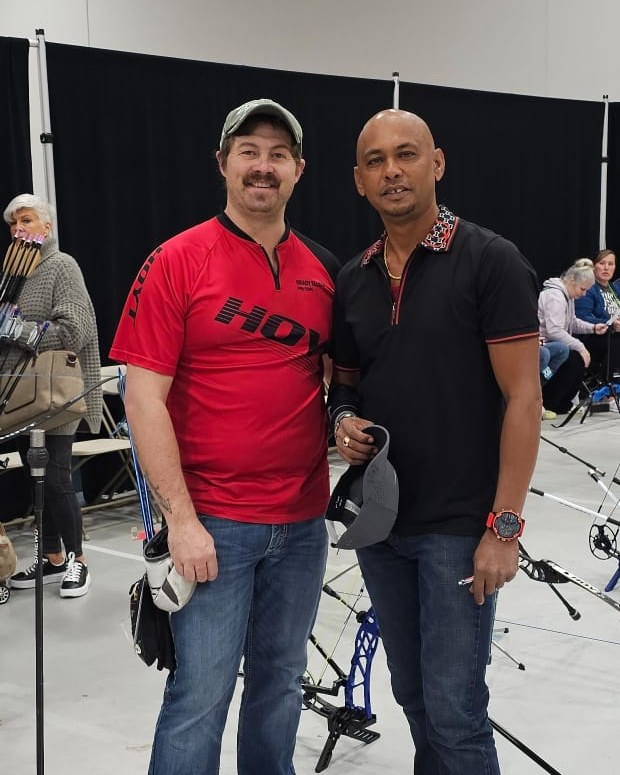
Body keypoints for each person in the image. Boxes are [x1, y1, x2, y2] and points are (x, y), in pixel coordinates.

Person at [109, 99, 339, 775]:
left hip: (301, 524)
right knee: (199, 695)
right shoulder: (177, 260)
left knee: (279, 689)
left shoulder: (323, 270)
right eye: (248, 151)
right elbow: (142, 395)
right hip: (212, 524)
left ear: (298, 169)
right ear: (223, 163)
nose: (262, 167)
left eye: (277, 154)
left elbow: (337, 383)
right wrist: (180, 518)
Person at [327, 108, 542, 774]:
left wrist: (503, 528)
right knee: (413, 694)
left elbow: (524, 398)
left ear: (437, 163)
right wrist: (342, 422)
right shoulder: (354, 278)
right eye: (375, 161)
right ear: (358, 180)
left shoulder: (490, 260)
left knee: (454, 708)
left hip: (460, 525)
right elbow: (347, 386)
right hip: (383, 525)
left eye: (407, 154)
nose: (392, 170)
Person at [3, 194, 102, 598]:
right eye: (13, 224)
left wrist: (16, 330)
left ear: (46, 227)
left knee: (56, 472)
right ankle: (52, 558)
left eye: (26, 220)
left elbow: (73, 331)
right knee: (37, 469)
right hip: (26, 391)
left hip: (58, 387)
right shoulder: (13, 273)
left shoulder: (62, 266)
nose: (17, 230)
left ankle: (78, 559)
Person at [538, 258, 608, 413]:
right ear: (571, 281)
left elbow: (572, 322)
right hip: (545, 344)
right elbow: (554, 331)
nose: (583, 295)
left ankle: (561, 402)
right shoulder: (555, 296)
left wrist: (593, 328)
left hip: (555, 344)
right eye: (582, 289)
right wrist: (581, 347)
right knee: (574, 360)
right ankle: (551, 401)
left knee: (575, 357)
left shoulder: (566, 296)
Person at [574, 248, 620, 379]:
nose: (606, 268)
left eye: (610, 264)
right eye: (602, 263)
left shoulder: (614, 288)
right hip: (592, 337)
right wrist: (610, 324)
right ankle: (609, 388)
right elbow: (582, 317)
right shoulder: (588, 288)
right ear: (594, 266)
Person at [539, 340, 569, 420]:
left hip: (537, 342)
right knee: (544, 354)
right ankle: (537, 403)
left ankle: (539, 385)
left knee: (563, 349)